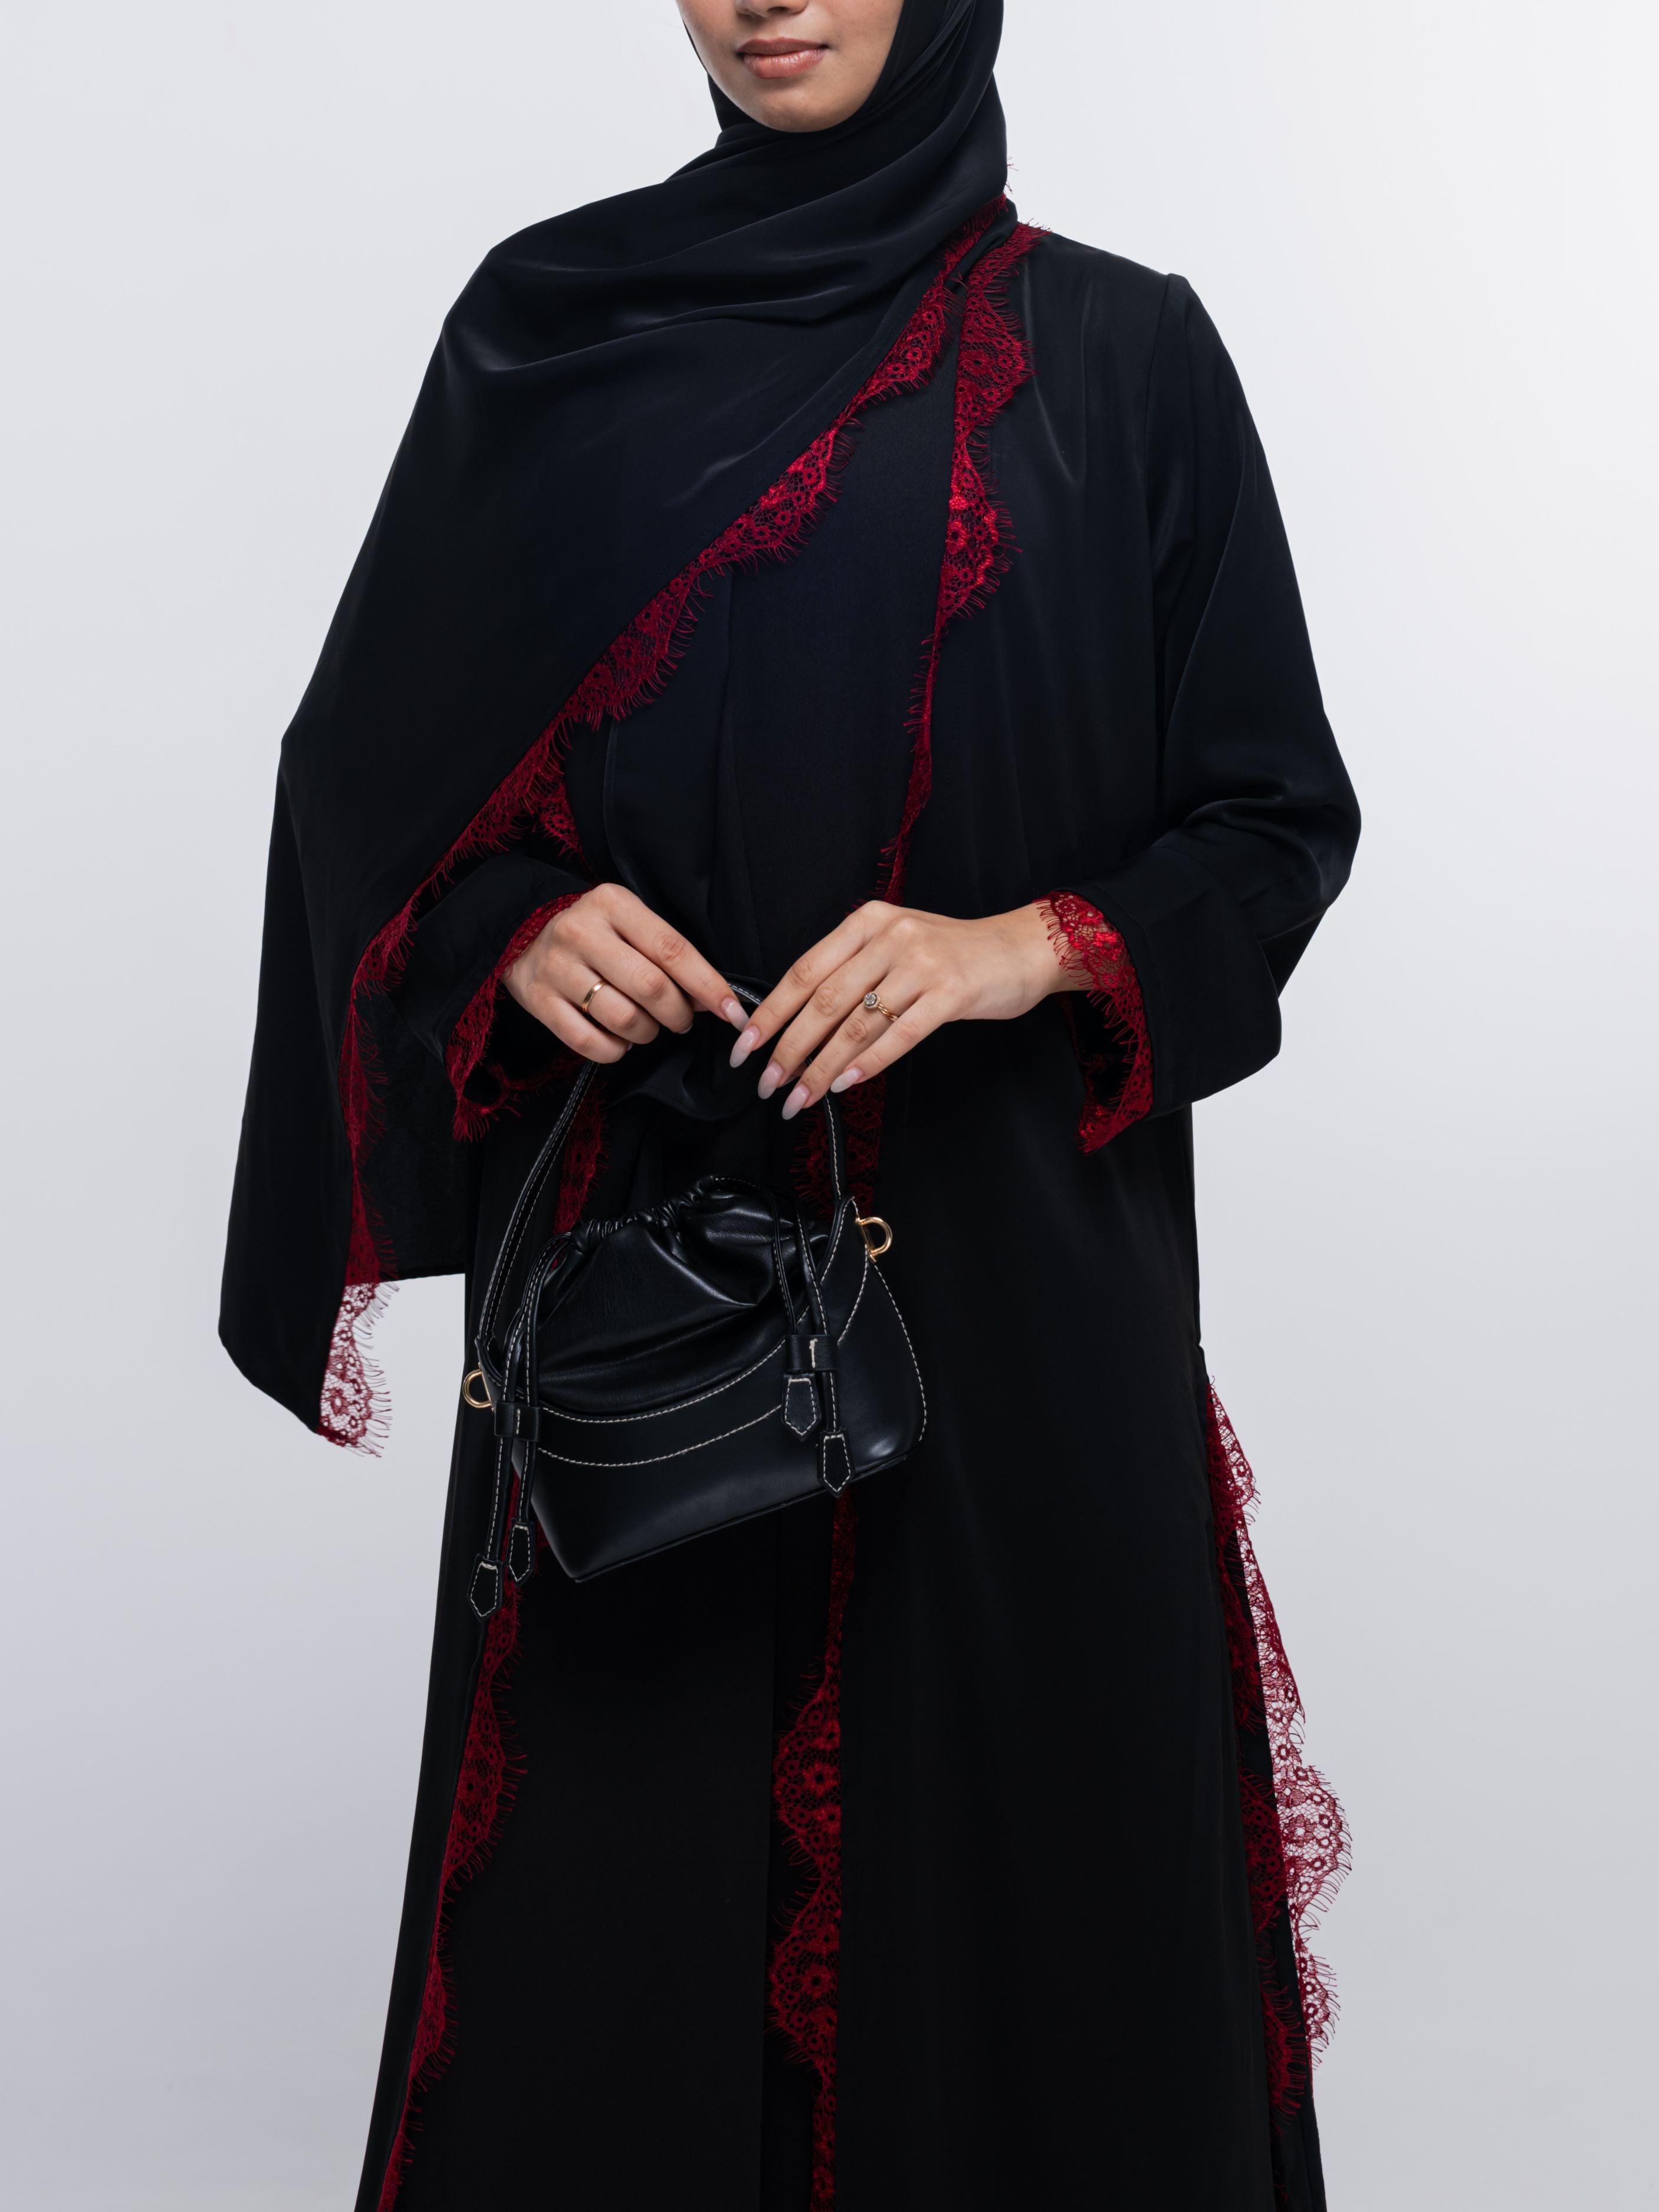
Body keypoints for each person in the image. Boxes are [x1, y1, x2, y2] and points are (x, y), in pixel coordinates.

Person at [221, 2, 1359, 2205]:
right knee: (610, 1952)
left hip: (1020, 1304)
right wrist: (510, 924)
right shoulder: (556, 332)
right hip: (642, 1321)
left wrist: (1018, 947)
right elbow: (364, 790)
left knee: (1045, 1918)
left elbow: (1273, 821)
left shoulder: (1121, 360)